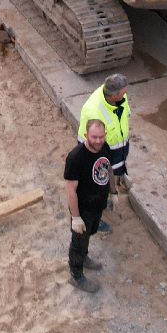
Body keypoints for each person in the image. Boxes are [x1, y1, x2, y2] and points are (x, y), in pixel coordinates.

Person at [64, 118, 114, 292]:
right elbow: (71, 191)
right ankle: (76, 275)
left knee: (89, 234)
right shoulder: (76, 157)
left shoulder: (104, 147)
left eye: (101, 136)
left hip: (98, 205)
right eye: (94, 137)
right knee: (78, 241)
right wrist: (76, 218)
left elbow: (108, 169)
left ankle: (84, 258)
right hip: (83, 209)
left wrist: (113, 192)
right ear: (86, 135)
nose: (98, 141)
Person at [78, 73, 131, 193]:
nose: (125, 95)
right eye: (123, 93)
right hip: (104, 152)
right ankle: (106, 192)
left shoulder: (121, 97)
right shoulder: (92, 111)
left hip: (119, 148)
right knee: (102, 177)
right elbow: (85, 144)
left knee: (116, 168)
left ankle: (119, 179)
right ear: (113, 96)